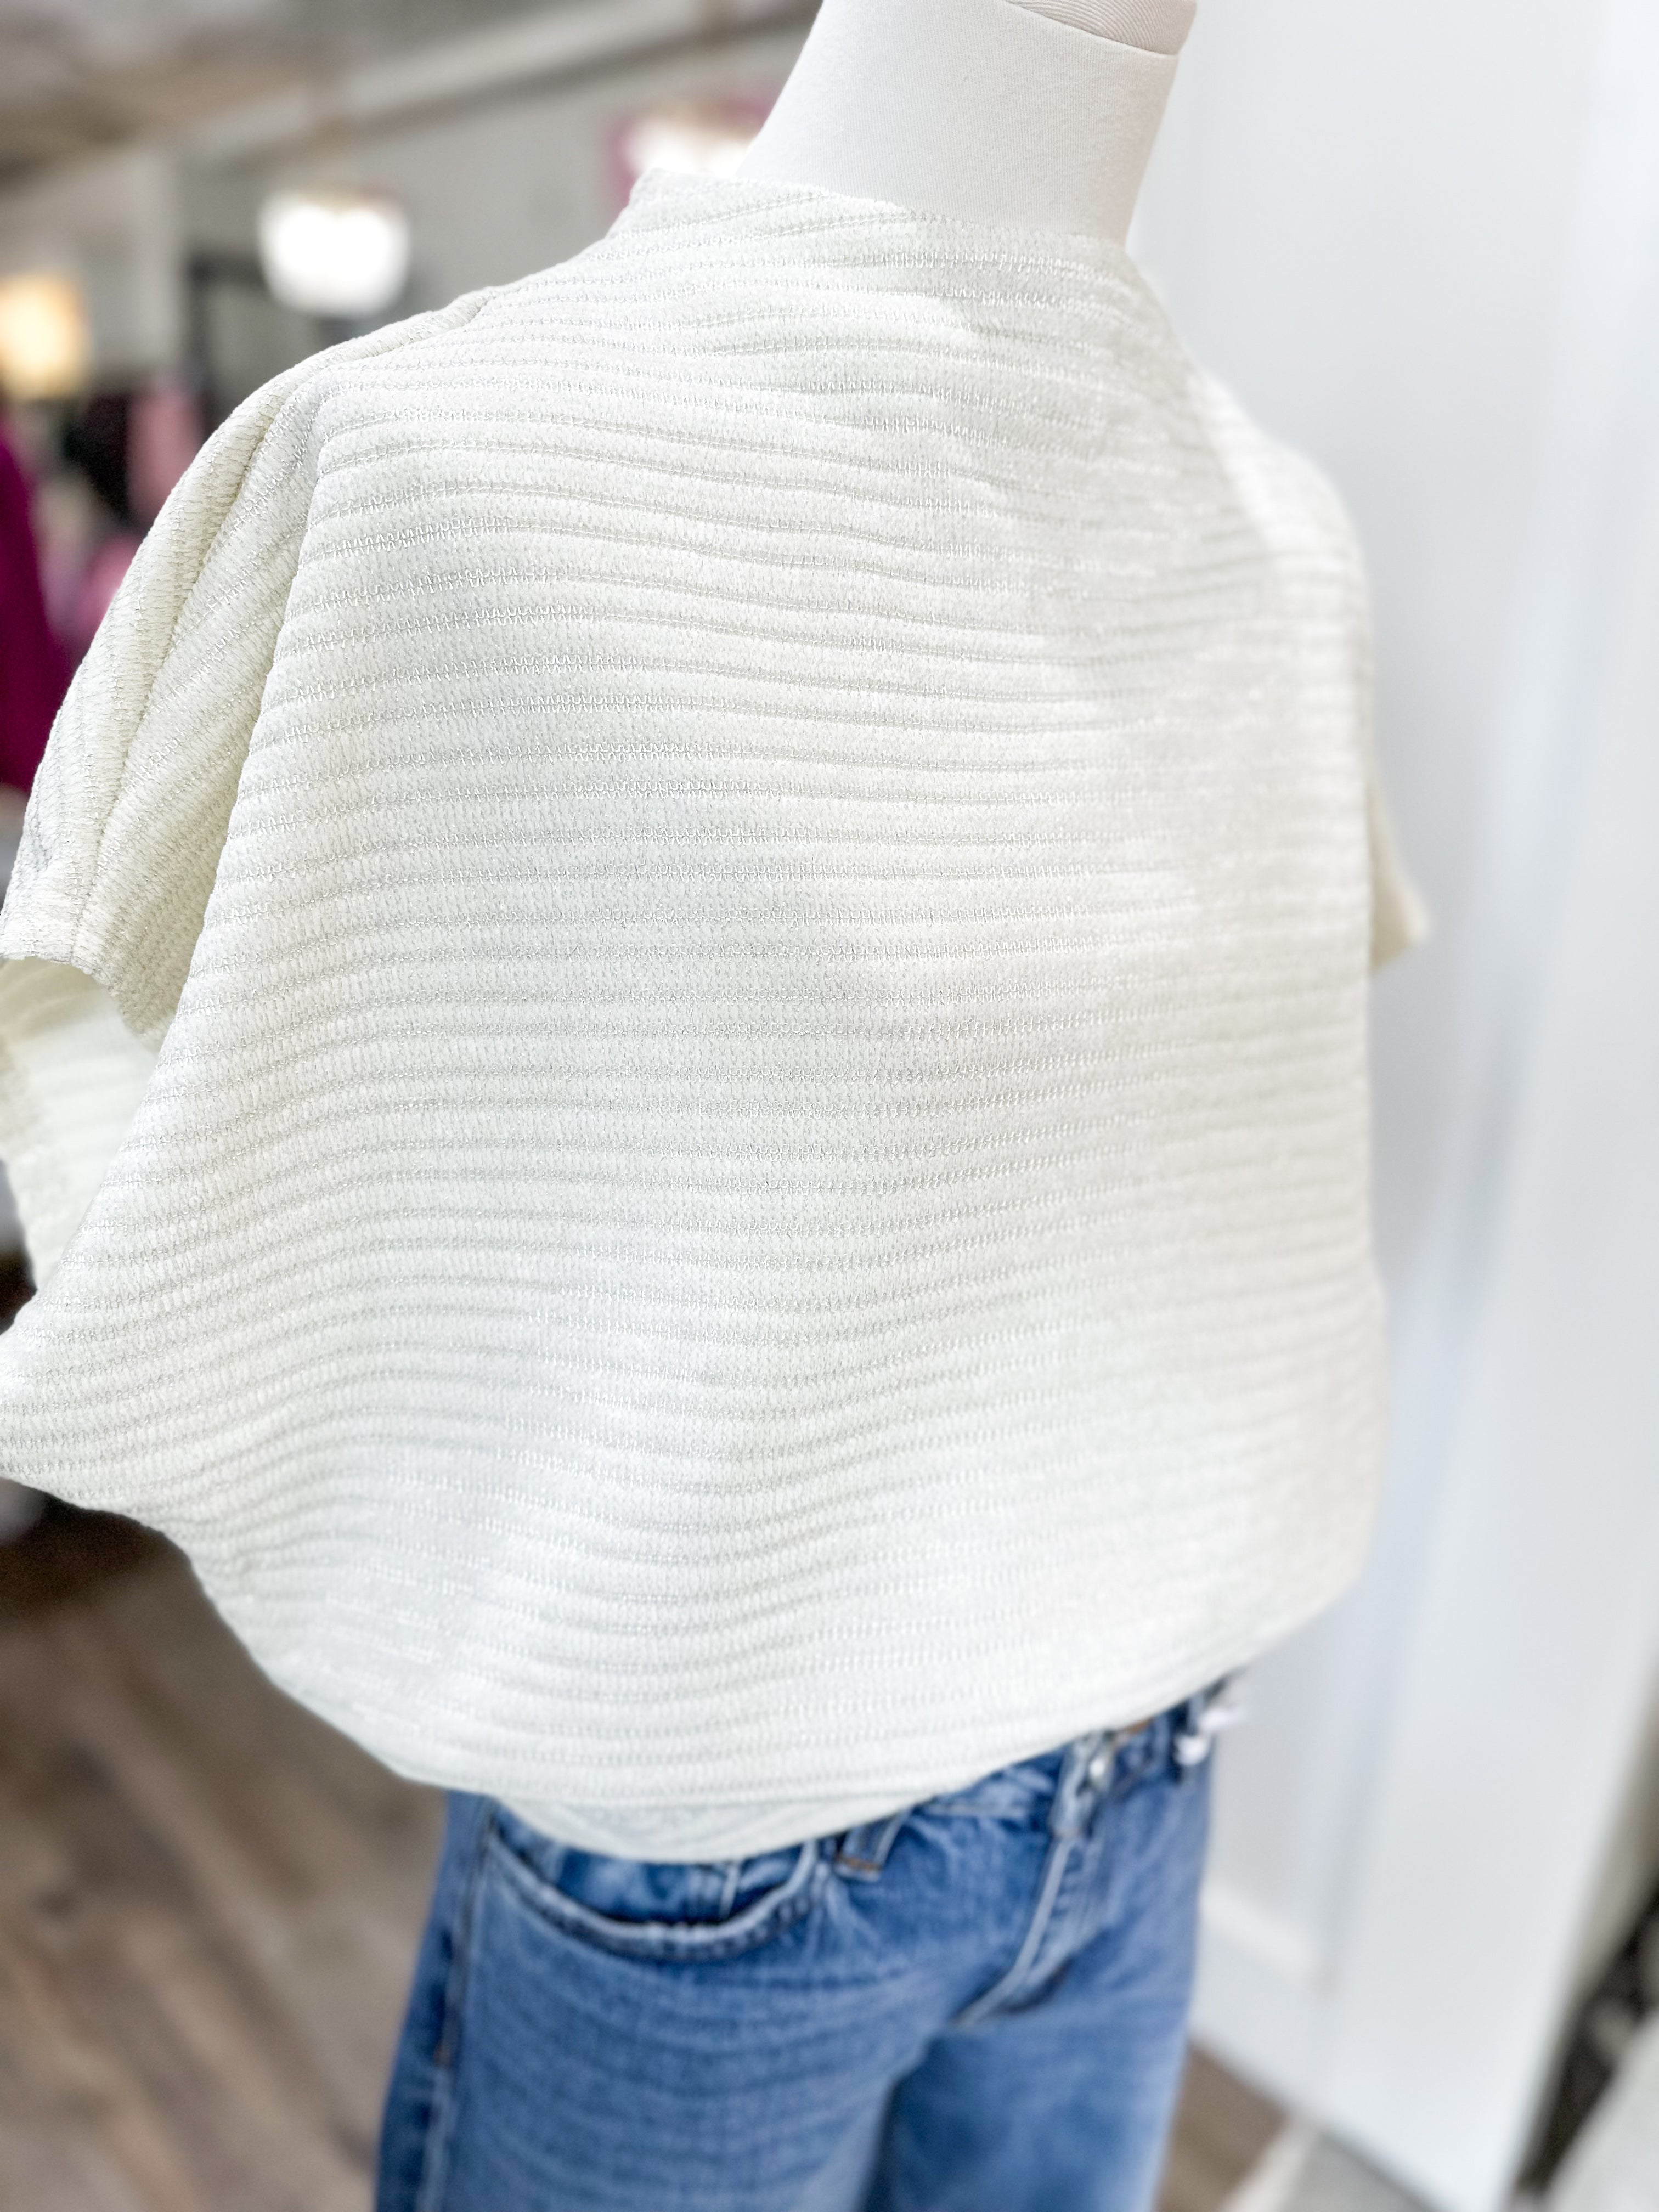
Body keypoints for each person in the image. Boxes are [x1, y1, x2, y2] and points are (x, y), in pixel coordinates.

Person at [0, 1, 1424, 2205]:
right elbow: (97, 1025)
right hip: (724, 1848)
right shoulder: (430, 467)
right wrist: (450, 1472)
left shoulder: (1283, 536)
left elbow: (1205, 1135)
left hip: (1151, 1772)